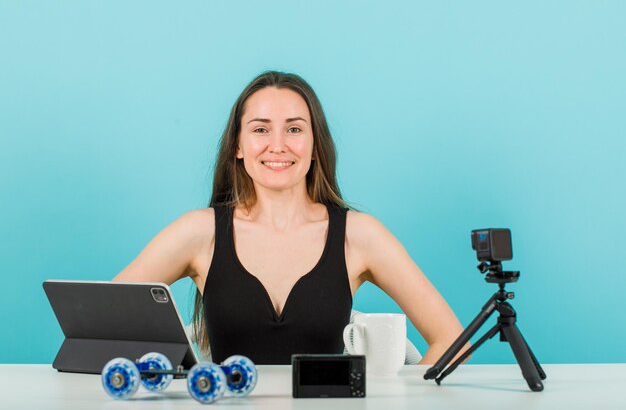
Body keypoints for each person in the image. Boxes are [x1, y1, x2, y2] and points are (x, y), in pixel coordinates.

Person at [114, 70, 465, 365]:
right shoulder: (199, 232)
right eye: (260, 129)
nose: (278, 145)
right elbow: (97, 321)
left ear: (315, 145)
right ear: (238, 145)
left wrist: (399, 396)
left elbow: (452, 340)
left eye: (294, 129)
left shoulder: (359, 235)